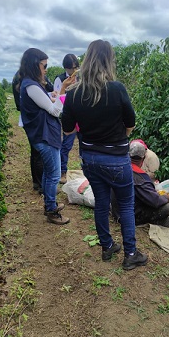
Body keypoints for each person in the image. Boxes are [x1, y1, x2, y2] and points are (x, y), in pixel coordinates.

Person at [61, 39, 148, 270]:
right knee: (126, 205)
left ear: (87, 60)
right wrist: (119, 135)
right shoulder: (117, 88)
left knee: (101, 202)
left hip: (90, 159)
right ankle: (130, 253)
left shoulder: (73, 94)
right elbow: (130, 123)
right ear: (108, 61)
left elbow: (67, 129)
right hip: (117, 160)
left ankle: (107, 246)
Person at [18, 48, 74, 225]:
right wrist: (63, 89)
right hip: (44, 136)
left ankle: (50, 203)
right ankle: (51, 210)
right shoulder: (32, 86)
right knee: (54, 174)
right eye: (44, 65)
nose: (46, 69)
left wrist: (53, 95)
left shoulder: (30, 84)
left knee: (49, 172)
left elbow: (45, 103)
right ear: (35, 65)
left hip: (43, 134)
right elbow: (55, 111)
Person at [112, 141, 169, 228]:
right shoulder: (141, 179)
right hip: (129, 216)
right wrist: (166, 197)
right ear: (143, 159)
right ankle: (156, 221)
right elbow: (155, 201)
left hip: (116, 210)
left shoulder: (118, 167)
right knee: (167, 208)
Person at [12, 70, 54, 194]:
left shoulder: (22, 77)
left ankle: (38, 181)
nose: (45, 68)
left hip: (29, 117)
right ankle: (40, 183)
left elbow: (49, 88)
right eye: (43, 65)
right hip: (33, 119)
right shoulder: (29, 81)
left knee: (36, 151)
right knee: (38, 152)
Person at [54, 54, 81, 184]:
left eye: (76, 67)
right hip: (69, 116)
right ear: (66, 68)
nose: (75, 70)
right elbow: (57, 98)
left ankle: (87, 171)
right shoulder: (60, 80)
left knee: (84, 144)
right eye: (72, 68)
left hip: (81, 116)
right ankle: (62, 171)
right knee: (66, 145)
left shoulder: (81, 78)